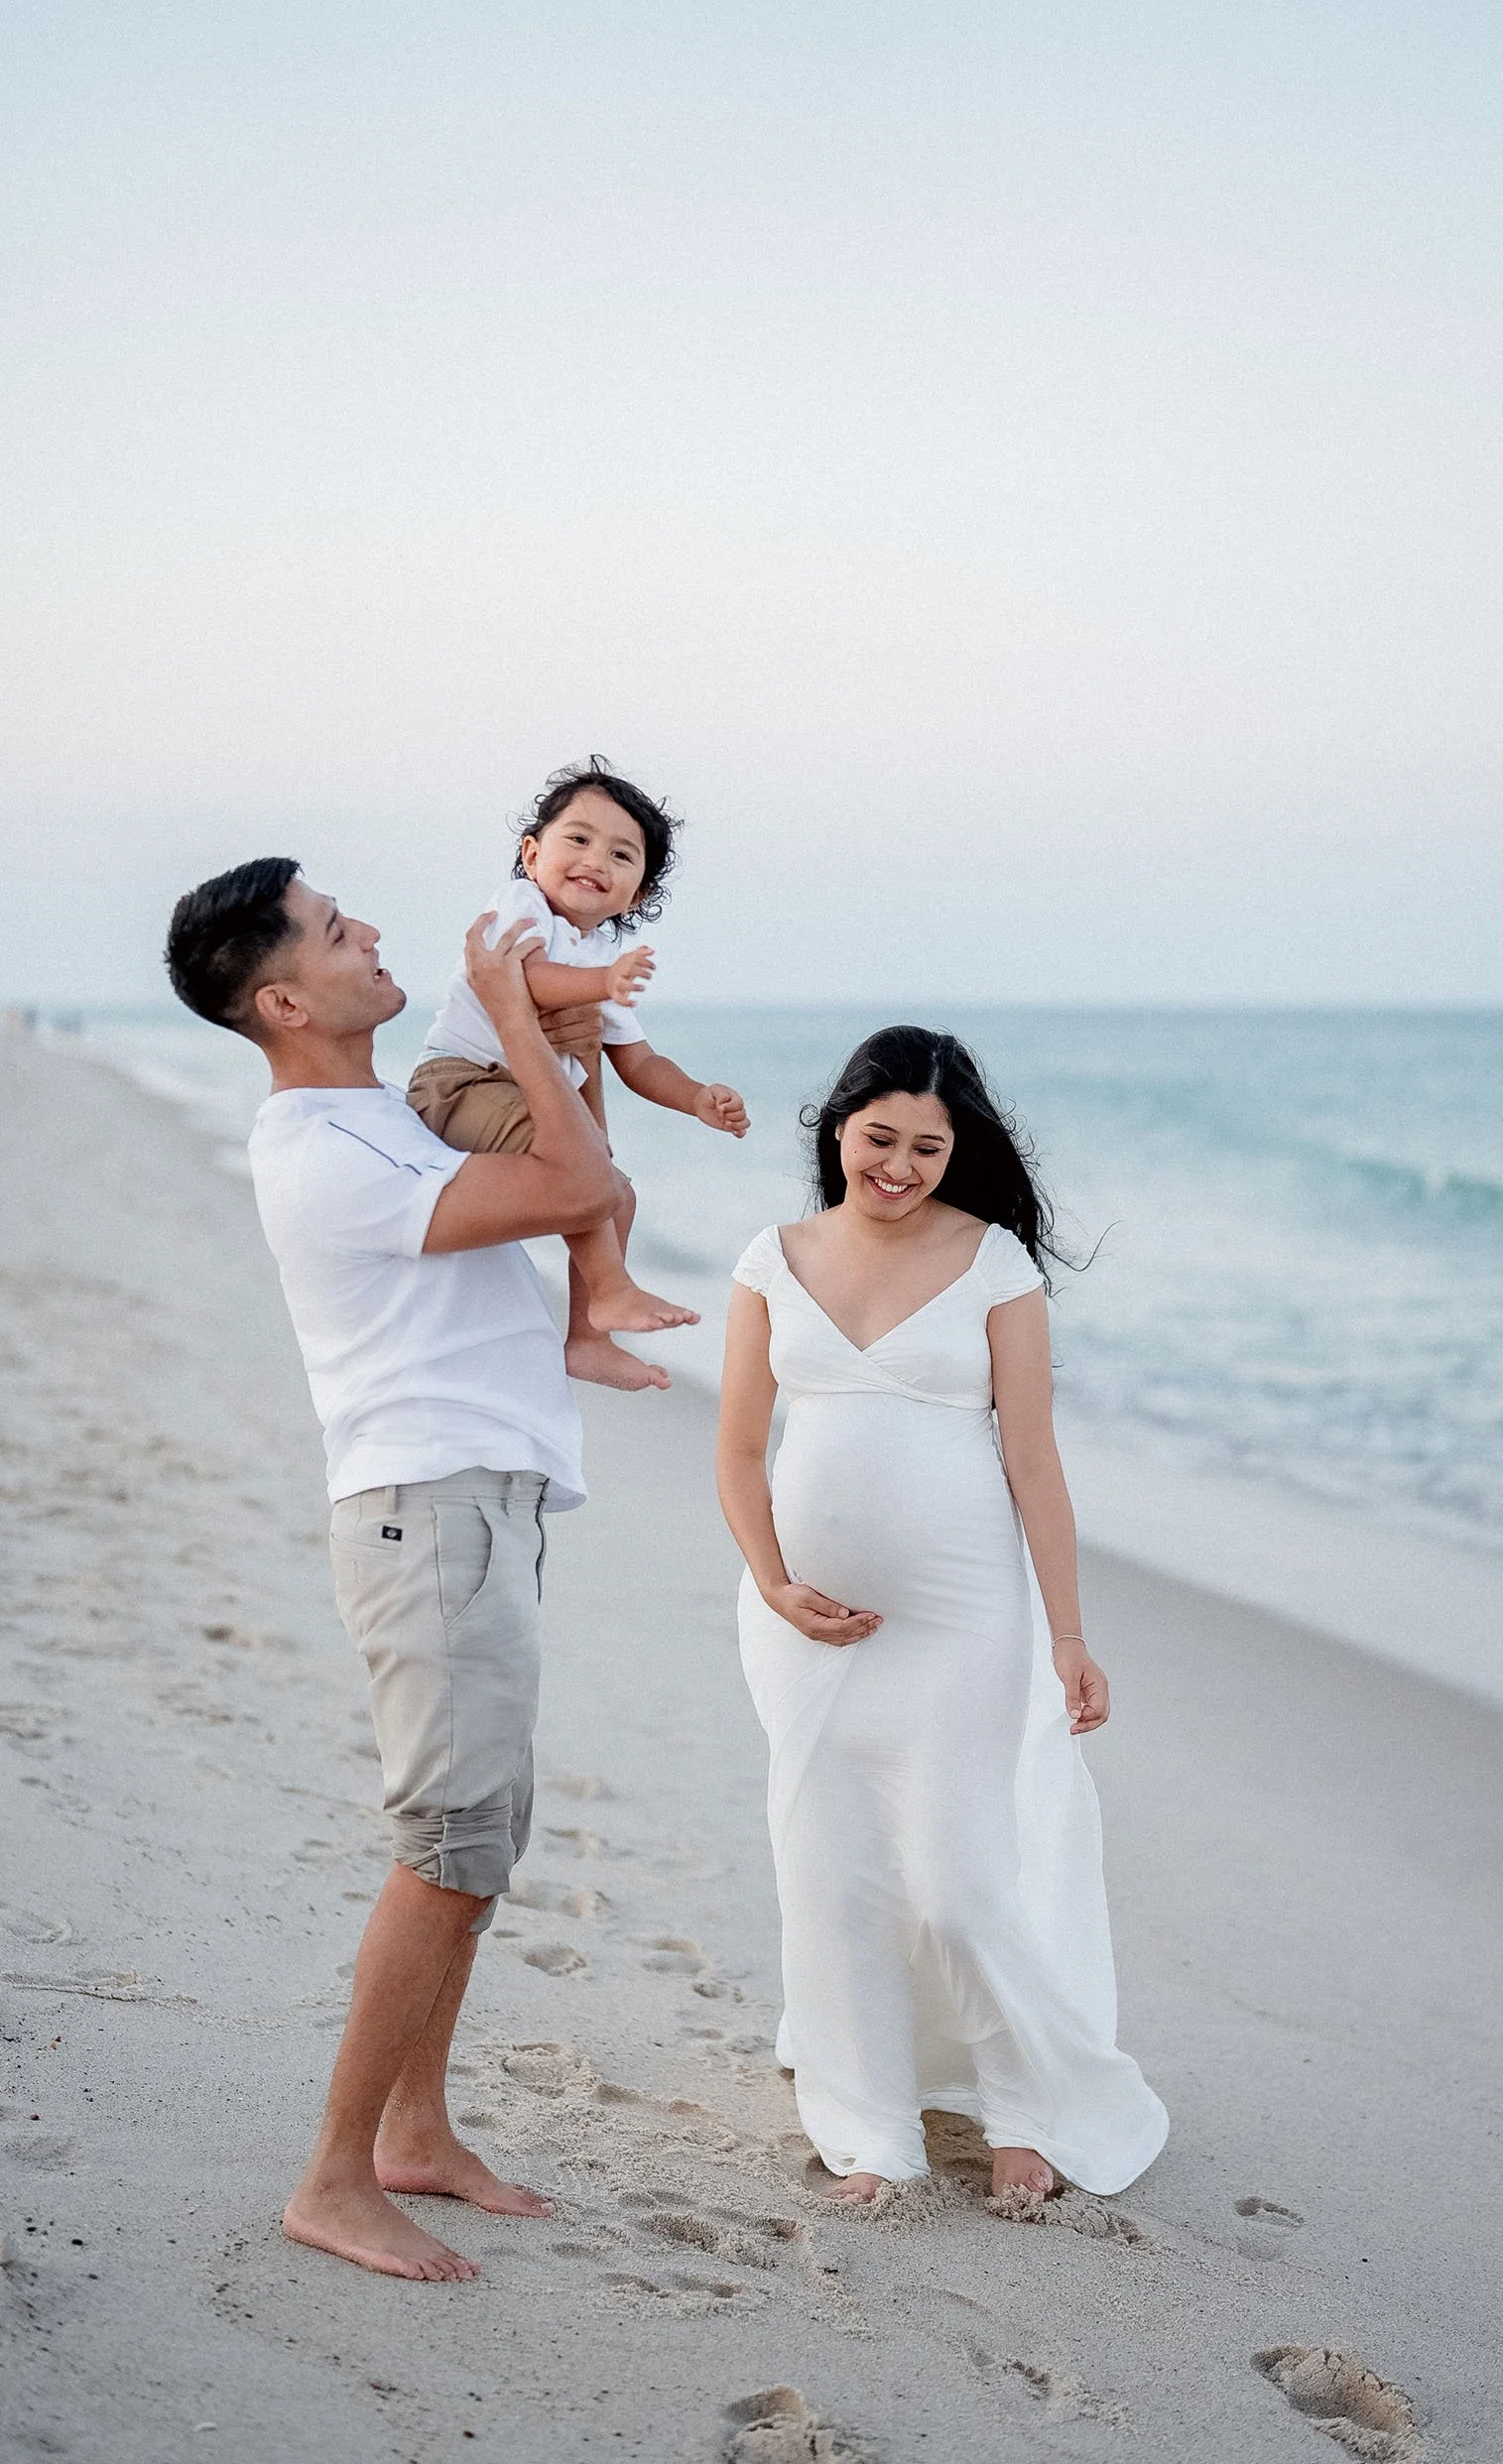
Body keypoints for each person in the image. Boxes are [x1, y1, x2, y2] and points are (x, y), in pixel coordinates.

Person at [166, 858, 623, 2281]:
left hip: (474, 1499)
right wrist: (508, 998)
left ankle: (413, 2133)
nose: (371, 932)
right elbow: (576, 1185)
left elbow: (572, 1159)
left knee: (482, 1843)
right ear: (285, 998)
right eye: (334, 929)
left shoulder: (379, 1118)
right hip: (424, 1514)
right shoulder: (320, 1157)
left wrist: (542, 1032)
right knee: (443, 1849)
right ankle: (330, 2175)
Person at [716, 1026, 1169, 2209]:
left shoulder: (993, 1263)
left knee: (960, 1878)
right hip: (802, 1629)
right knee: (835, 1868)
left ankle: (1029, 2108)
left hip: (964, 1616)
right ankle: (872, 2127)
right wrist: (770, 1579)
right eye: (880, 1138)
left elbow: (1033, 1459)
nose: (900, 1165)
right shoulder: (772, 1257)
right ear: (836, 1129)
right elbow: (734, 1447)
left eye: (927, 1145)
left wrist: (1068, 1636)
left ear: (955, 1150)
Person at [408, 758, 749, 1394]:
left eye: (623, 855)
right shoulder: (521, 905)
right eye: (579, 839)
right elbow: (521, 982)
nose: (596, 859)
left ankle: (589, 1338)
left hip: (529, 1100)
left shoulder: (600, 960)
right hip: (461, 1084)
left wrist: (697, 1097)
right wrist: (603, 985)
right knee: (589, 1170)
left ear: (639, 893)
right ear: (531, 853)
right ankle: (613, 1287)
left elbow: (639, 1062)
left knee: (617, 1191)